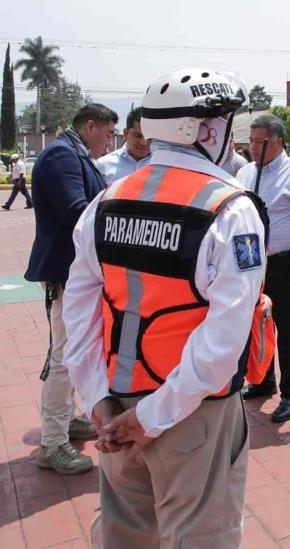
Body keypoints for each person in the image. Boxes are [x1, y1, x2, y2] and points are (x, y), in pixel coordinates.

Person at [63, 68, 264, 548]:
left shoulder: (105, 203)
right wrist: (152, 417)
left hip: (116, 402)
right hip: (193, 413)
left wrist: (99, 402)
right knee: (200, 536)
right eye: (226, 122)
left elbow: (80, 315)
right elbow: (221, 345)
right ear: (202, 130)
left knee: (124, 536)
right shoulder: (231, 210)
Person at [24, 103, 118, 475]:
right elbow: (79, 211)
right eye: (107, 133)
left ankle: (65, 421)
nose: (109, 142)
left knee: (76, 350)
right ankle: (52, 443)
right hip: (65, 272)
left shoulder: (74, 151)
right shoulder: (63, 155)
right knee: (62, 355)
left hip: (75, 272)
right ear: (90, 126)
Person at [236, 114, 290, 422]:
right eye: (250, 141)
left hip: (285, 263)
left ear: (278, 142)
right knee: (256, 325)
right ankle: (262, 381)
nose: (252, 147)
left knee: (287, 330)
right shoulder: (245, 173)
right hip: (250, 265)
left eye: (258, 142)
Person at [96, 107, 151, 184]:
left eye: (149, 137)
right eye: (138, 136)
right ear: (125, 133)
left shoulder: (164, 166)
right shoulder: (103, 166)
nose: (143, 142)